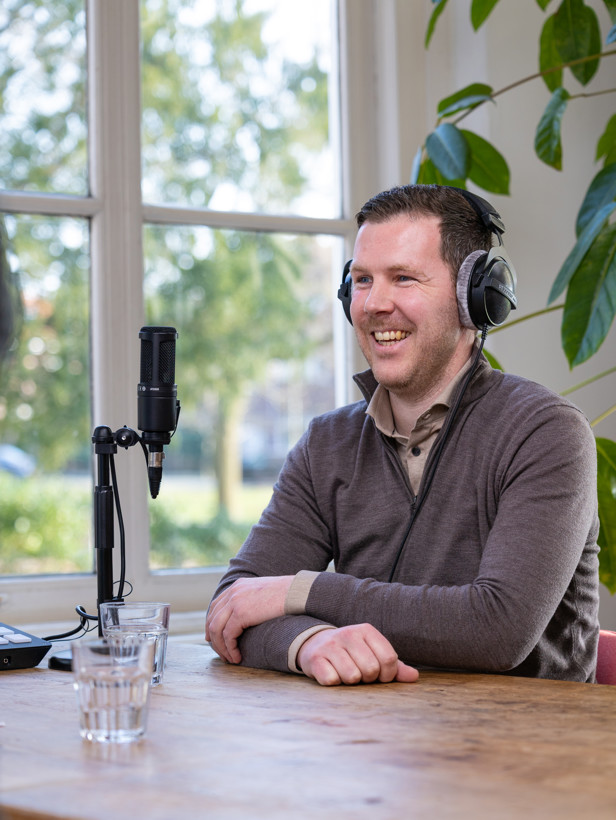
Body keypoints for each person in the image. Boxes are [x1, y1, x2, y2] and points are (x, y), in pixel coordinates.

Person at [205, 183, 600, 687]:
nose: (374, 304)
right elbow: (234, 608)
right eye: (362, 280)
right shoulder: (327, 443)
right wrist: (308, 642)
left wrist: (302, 594)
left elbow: (498, 628)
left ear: (475, 297)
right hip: (372, 752)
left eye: (405, 278)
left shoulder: (546, 433)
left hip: (527, 756)